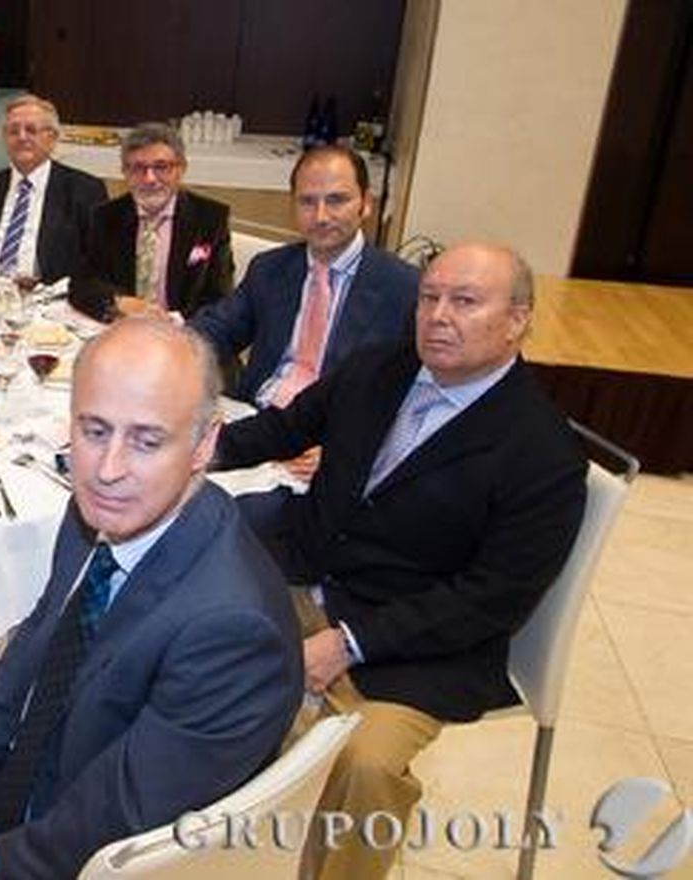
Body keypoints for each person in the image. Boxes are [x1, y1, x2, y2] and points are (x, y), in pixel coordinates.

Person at [0, 318, 303, 879]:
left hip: (82, 817)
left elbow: (118, 819)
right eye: (94, 431)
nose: (108, 470)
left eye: (146, 441)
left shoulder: (234, 629)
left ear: (204, 444)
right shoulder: (100, 512)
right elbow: (36, 648)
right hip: (36, 749)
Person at [213, 242, 588, 880]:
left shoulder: (543, 454)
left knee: (367, 766)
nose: (438, 316)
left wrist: (350, 644)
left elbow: (490, 597)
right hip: (309, 577)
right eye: (429, 297)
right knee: (173, 627)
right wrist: (182, 449)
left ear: (518, 320)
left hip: (413, 644)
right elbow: (283, 428)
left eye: (465, 301)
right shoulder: (379, 368)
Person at [190, 145, 418, 408]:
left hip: (330, 434)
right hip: (257, 417)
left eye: (336, 200)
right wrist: (166, 348)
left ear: (365, 204)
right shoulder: (270, 269)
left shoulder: (402, 286)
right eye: (308, 201)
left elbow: (406, 387)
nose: (321, 216)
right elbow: (217, 329)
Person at [71, 122, 232, 322]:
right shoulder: (106, 216)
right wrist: (120, 301)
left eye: (161, 167)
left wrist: (174, 321)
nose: (149, 179)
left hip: (183, 332)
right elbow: (82, 284)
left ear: (181, 169)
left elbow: (220, 297)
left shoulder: (209, 218)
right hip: (122, 328)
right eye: (138, 168)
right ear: (124, 173)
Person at [0, 94, 105, 285]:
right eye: (13, 131)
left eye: (31, 130)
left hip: (51, 302)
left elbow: (99, 261)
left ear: (52, 138)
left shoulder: (84, 190)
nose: (21, 137)